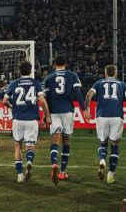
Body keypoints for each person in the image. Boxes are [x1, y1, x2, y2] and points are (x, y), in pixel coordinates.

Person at [2, 61, 51, 183]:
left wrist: (12, 106)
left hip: (18, 119)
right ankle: (29, 161)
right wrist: (47, 115)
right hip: (31, 119)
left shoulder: (14, 84)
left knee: (18, 145)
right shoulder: (36, 83)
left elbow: (4, 101)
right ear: (30, 71)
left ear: (19, 71)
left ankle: (19, 174)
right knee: (30, 145)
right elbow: (42, 101)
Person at [43, 55, 86, 184]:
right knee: (66, 140)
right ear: (66, 64)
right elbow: (78, 93)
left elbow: (45, 98)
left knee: (55, 139)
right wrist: (84, 109)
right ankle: (62, 172)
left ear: (54, 64)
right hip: (68, 111)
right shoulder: (72, 76)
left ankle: (54, 164)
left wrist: (47, 115)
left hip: (54, 112)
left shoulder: (48, 78)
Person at [84, 65, 126, 184]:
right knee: (115, 145)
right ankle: (110, 175)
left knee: (103, 142)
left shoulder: (99, 83)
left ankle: (102, 160)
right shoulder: (122, 84)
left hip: (102, 116)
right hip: (116, 117)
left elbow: (88, 95)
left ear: (105, 73)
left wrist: (87, 109)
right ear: (115, 73)